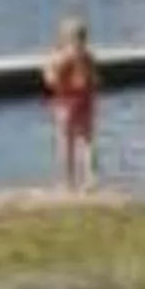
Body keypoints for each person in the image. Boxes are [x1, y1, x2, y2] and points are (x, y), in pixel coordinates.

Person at [43, 15, 100, 191]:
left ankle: (68, 182)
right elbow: (95, 79)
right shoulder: (88, 56)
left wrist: (48, 70)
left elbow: (51, 80)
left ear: (63, 37)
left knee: (66, 143)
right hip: (86, 101)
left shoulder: (62, 57)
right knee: (88, 141)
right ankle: (91, 179)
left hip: (66, 103)